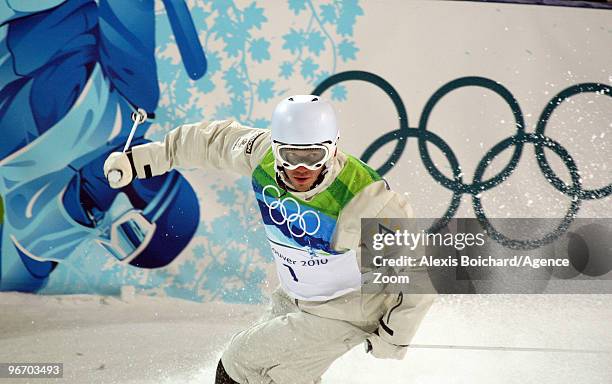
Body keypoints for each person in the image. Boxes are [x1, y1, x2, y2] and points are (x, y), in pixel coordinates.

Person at [104, 95, 435, 384]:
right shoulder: (261, 154)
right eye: (290, 156)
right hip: (294, 297)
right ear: (275, 147)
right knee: (275, 377)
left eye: (313, 156)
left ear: (333, 148)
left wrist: (395, 336)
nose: (300, 169)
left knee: (239, 366)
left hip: (344, 311)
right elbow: (212, 142)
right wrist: (142, 160)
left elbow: (419, 272)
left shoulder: (365, 197)